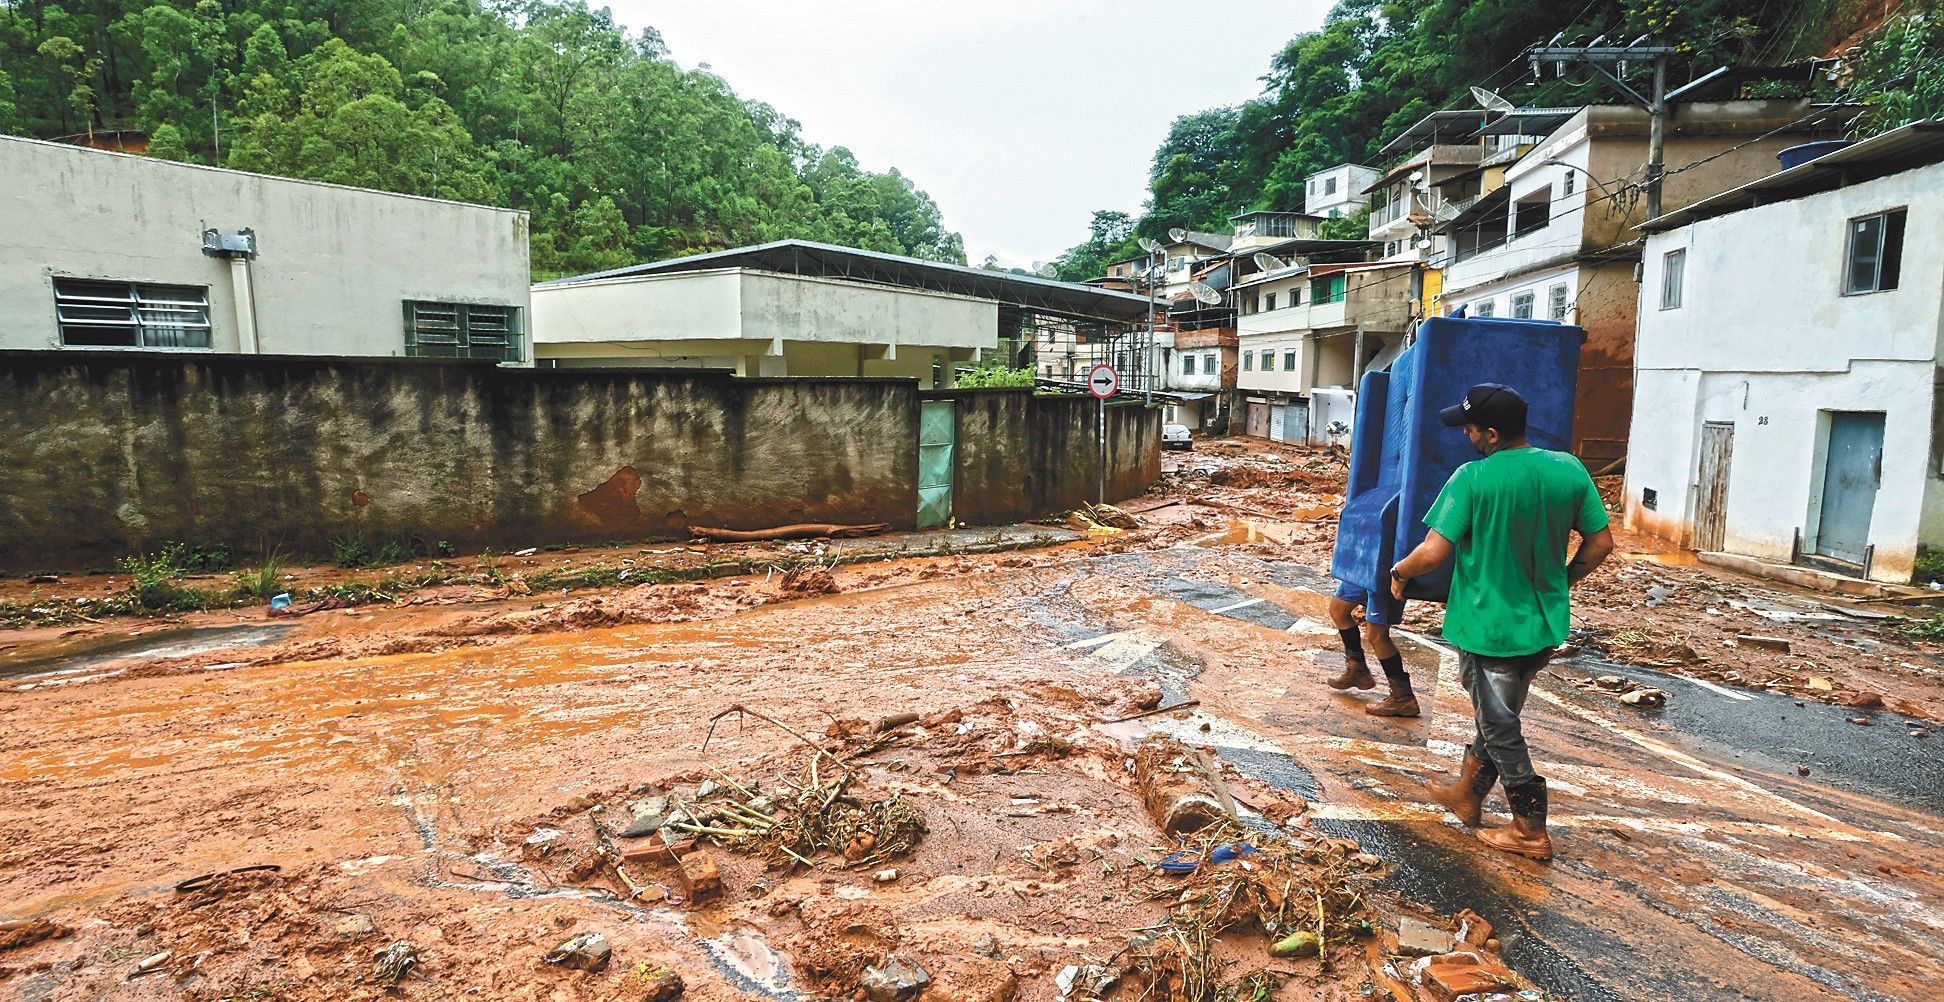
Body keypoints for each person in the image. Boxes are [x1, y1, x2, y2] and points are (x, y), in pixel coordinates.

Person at [1387, 384, 1613, 860]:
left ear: (1491, 433)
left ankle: (1530, 829)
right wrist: (1562, 582)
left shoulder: (1472, 478)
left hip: (1489, 629)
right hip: (1544, 626)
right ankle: (1467, 795)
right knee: (1499, 715)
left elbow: (1432, 553)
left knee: (1500, 726)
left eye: (1470, 428)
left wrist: (1399, 572)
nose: (1466, 435)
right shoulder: (1568, 469)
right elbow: (1600, 544)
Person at [1324, 582, 1418, 717]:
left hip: (1384, 574)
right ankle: (1357, 670)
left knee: (1376, 635)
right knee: (1338, 610)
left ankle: (1403, 697)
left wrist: (1400, 576)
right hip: (1361, 568)